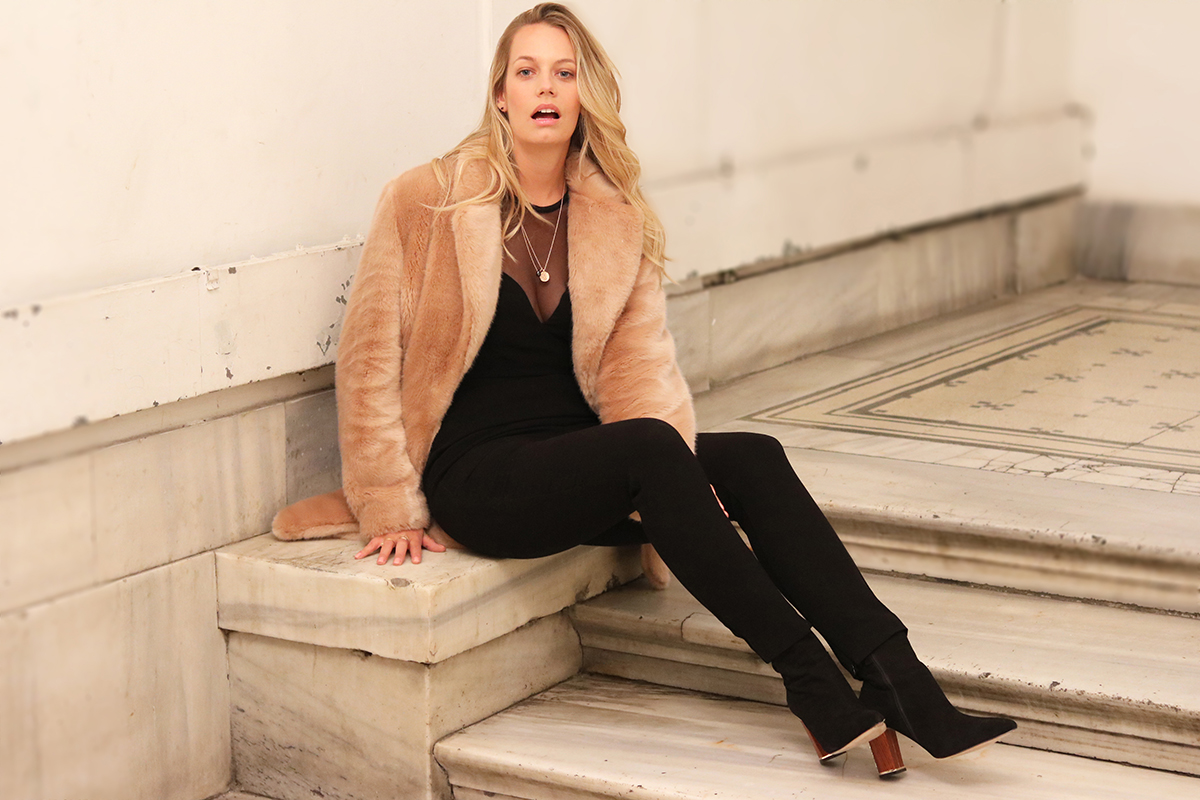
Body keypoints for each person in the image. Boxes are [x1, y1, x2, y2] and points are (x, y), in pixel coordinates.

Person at [292, 2, 1017, 777]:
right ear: (500, 93)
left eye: (564, 73)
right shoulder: (426, 200)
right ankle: (811, 680)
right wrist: (388, 503)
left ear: (585, 94)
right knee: (649, 448)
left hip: (581, 461)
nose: (546, 88)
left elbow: (639, 372)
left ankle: (901, 681)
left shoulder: (612, 216)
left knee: (753, 455)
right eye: (527, 72)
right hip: (481, 476)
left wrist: (678, 488)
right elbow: (367, 361)